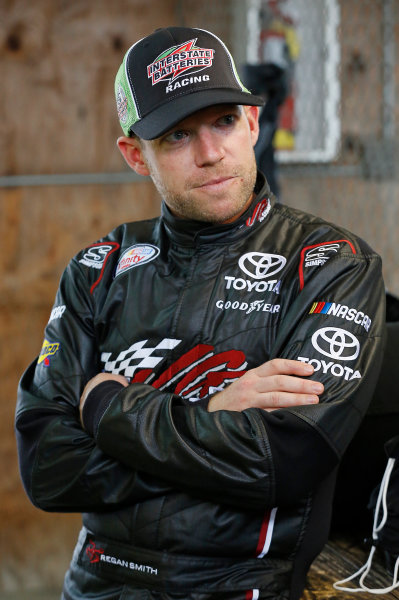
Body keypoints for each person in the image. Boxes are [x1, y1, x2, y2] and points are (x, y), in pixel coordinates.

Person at [15, 26, 386, 600]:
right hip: (94, 584)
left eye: (224, 121)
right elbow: (48, 468)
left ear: (254, 124)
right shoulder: (99, 268)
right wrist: (215, 412)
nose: (211, 152)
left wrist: (110, 408)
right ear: (136, 155)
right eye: (178, 134)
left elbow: (279, 461)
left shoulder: (330, 264)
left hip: (237, 587)